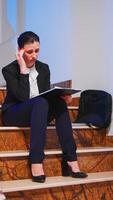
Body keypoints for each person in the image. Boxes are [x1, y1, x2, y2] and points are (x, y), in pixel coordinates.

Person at [1, 31, 87, 183]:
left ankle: (70, 159)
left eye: (37, 50)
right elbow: (22, 97)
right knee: (39, 102)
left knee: (57, 103)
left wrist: (62, 97)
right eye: (29, 52)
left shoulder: (44, 68)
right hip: (14, 112)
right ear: (20, 51)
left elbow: (45, 95)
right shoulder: (9, 70)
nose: (34, 55)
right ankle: (35, 160)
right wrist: (23, 69)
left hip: (38, 112)